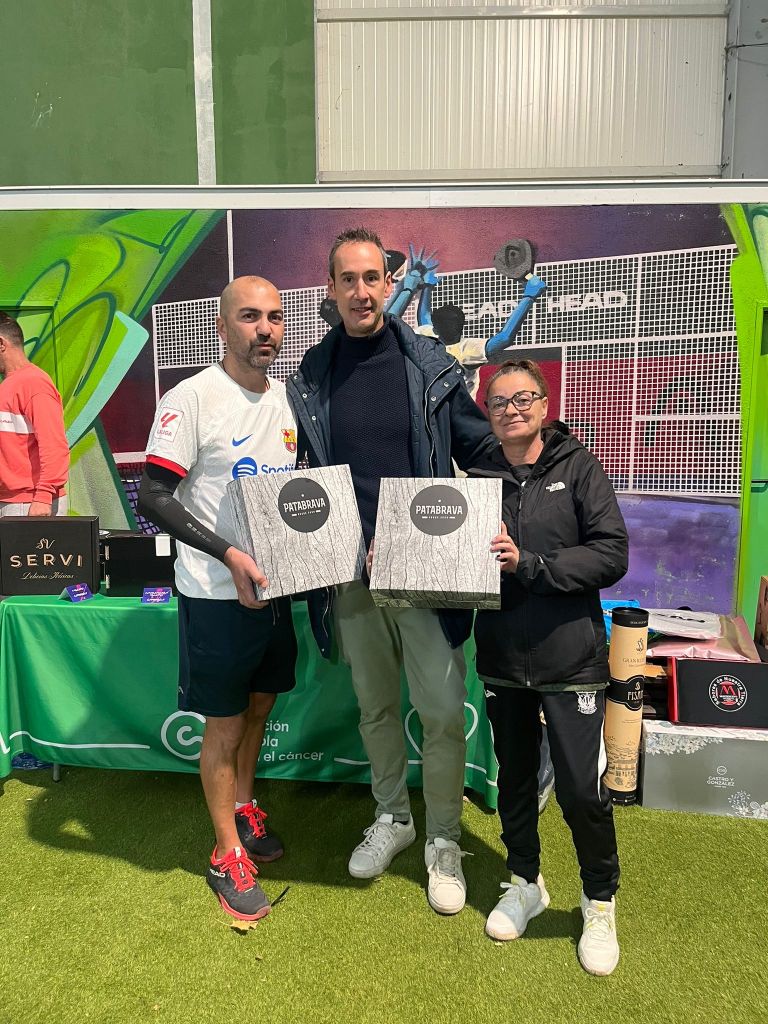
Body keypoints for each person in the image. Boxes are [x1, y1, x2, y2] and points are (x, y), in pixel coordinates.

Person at [287, 227, 496, 916]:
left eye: (372, 277)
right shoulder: (311, 376)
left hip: (425, 568)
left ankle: (443, 838)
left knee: (441, 712)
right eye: (348, 279)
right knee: (375, 707)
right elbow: (303, 479)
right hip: (350, 574)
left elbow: (479, 449)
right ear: (331, 289)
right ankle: (393, 817)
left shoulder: (430, 366)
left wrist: (506, 505)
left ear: (389, 283)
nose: (361, 291)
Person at [138, 276, 298, 923]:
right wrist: (229, 555)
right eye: (250, 317)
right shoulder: (192, 398)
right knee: (225, 725)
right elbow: (153, 497)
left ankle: (243, 806)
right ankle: (225, 853)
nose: (265, 329)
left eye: (275, 317)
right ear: (223, 328)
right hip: (214, 594)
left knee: (261, 706)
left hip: (276, 588)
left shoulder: (287, 400)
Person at [468, 359, 628, 976]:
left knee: (581, 790)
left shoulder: (579, 467)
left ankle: (599, 900)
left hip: (571, 659)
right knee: (513, 781)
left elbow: (611, 554)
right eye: (499, 402)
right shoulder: (478, 479)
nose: (511, 410)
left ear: (544, 403)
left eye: (523, 398)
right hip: (503, 657)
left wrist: (531, 565)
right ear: (488, 412)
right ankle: (524, 882)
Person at [0, 311, 69, 516]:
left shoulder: (34, 383)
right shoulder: (10, 385)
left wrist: (43, 498)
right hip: (13, 502)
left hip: (29, 505)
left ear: (1, 344)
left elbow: (54, 445)